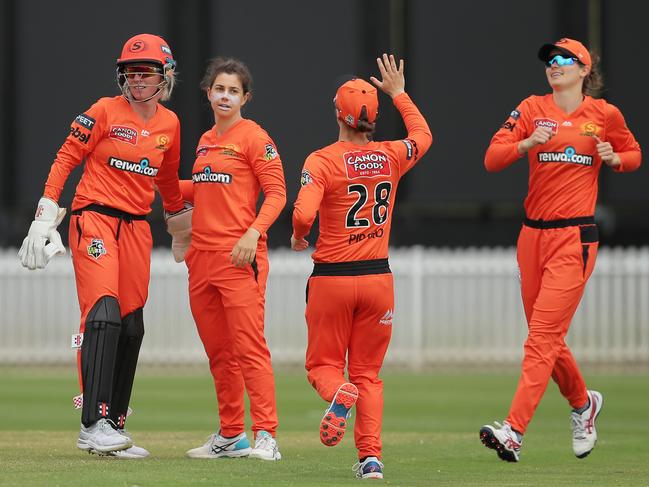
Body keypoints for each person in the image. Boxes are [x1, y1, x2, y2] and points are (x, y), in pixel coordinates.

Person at [19, 33, 190, 458]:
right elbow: (65, 158)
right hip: (93, 216)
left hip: (137, 227)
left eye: (146, 73)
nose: (137, 81)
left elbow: (167, 180)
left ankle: (112, 425)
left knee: (132, 325)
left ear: (165, 77)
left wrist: (178, 224)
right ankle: (91, 424)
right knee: (104, 314)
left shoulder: (170, 124)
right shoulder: (103, 110)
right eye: (131, 73)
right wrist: (45, 214)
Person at [479, 38, 641, 462]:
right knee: (545, 339)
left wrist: (615, 159)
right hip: (532, 237)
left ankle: (513, 431)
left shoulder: (604, 115)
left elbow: (633, 153)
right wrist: (527, 144)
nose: (555, 65)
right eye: (550, 60)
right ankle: (584, 404)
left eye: (565, 59)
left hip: (574, 238)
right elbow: (492, 159)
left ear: (584, 69)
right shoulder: (532, 109)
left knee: (541, 340)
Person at [291, 54, 432, 479]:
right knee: (369, 373)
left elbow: (302, 214)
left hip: (333, 279)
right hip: (378, 279)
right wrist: (400, 94)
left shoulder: (322, 160)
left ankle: (339, 393)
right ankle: (370, 458)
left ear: (339, 113)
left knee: (321, 367)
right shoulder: (391, 155)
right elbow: (423, 135)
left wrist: (299, 237)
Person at [179, 57, 286, 461]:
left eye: (233, 91)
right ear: (208, 93)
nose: (225, 96)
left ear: (246, 98)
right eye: (219, 89)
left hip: (240, 258)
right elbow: (205, 188)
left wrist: (253, 233)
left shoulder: (254, 137)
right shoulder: (206, 140)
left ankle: (266, 436)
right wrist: (158, 180)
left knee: (249, 348)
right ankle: (230, 435)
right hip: (201, 260)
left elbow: (277, 193)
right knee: (220, 352)